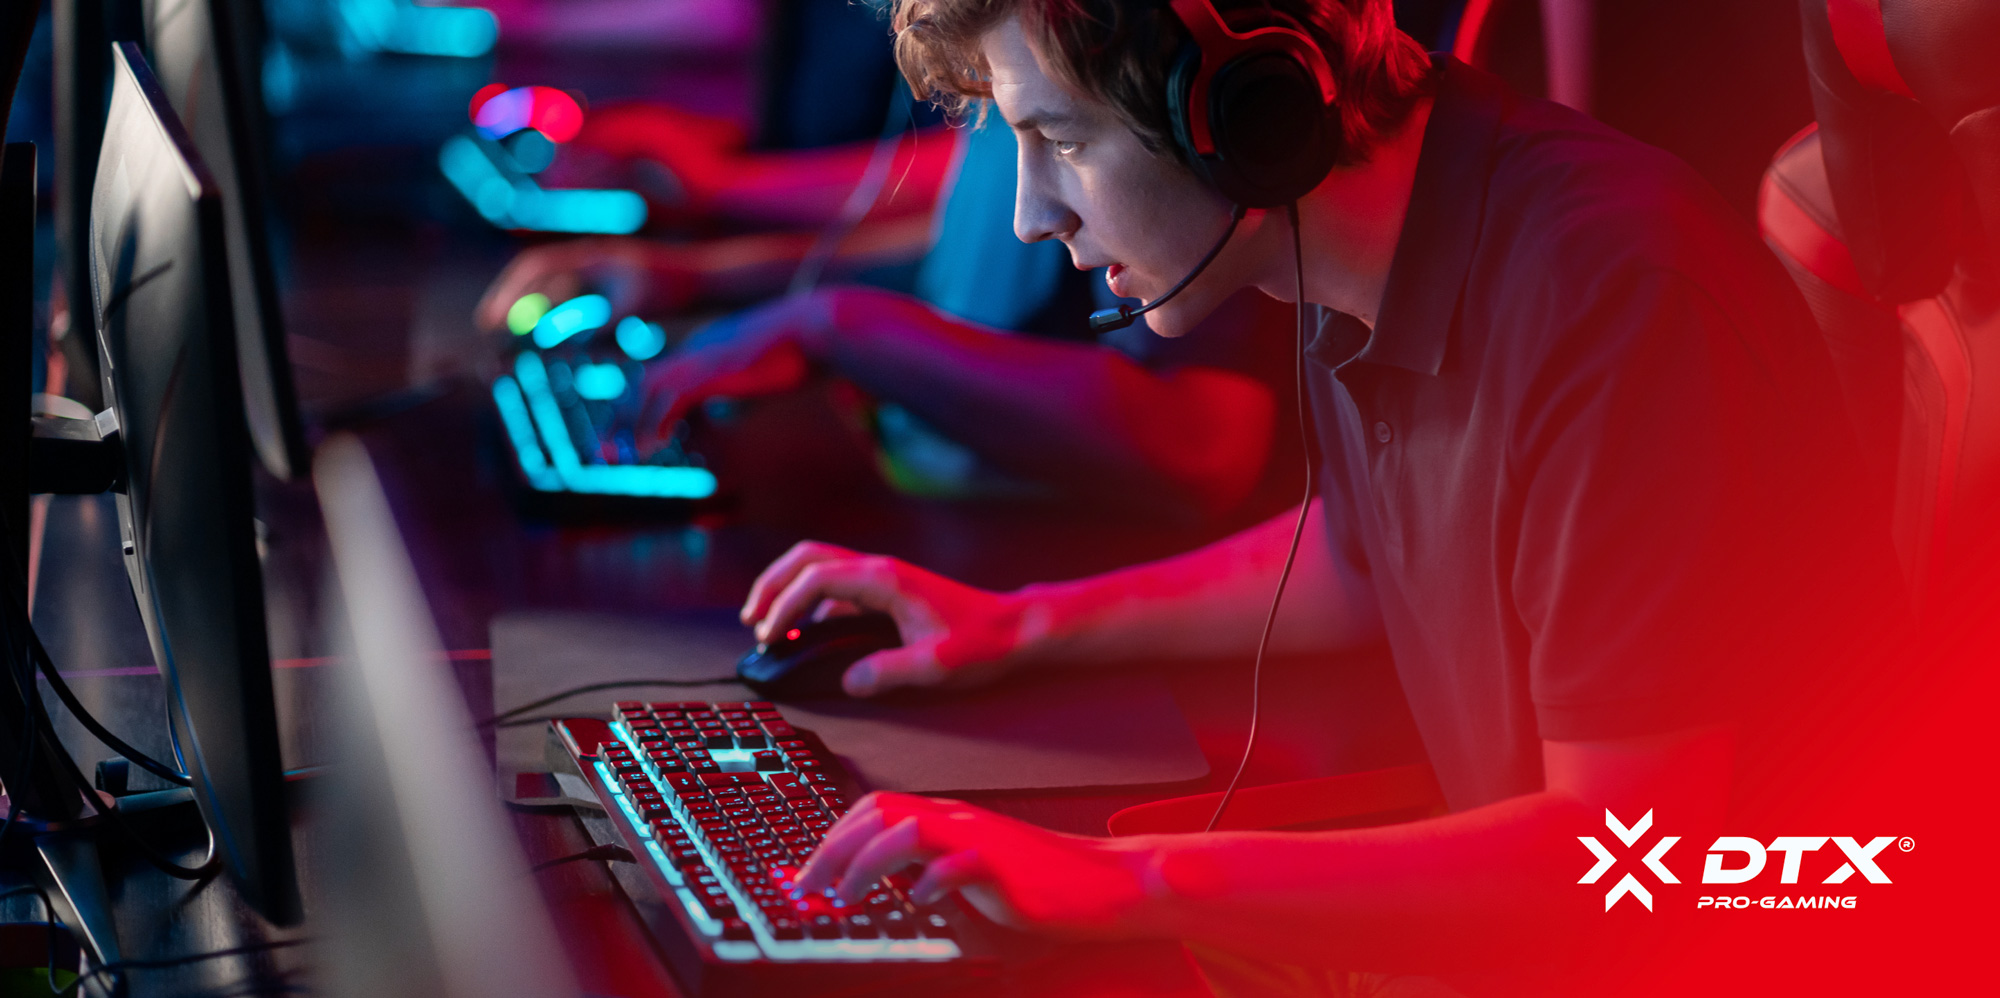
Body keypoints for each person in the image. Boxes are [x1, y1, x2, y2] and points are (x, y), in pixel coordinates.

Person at [738, 0, 1907, 989]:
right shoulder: (1354, 238)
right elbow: (1365, 552)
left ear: (1244, 110)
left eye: (1061, 139)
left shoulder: (1611, 301)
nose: (1030, 213)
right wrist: (1011, 624)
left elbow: (1626, 860)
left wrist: (1123, 878)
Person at [480, 112, 1301, 523]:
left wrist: (839, 326)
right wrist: (704, 277)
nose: (1032, 214)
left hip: (1087, 577)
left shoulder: (1155, 64)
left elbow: (1204, 444)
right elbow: (971, 220)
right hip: (963, 516)